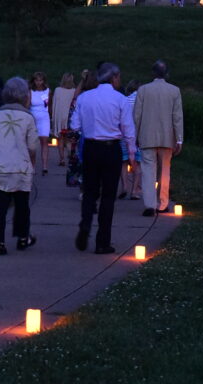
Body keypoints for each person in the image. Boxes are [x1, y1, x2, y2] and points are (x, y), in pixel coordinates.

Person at [70, 62, 136, 255]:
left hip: (91, 147)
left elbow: (75, 125)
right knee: (108, 196)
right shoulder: (120, 99)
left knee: (90, 191)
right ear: (114, 77)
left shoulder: (84, 97)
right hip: (111, 149)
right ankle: (102, 241)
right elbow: (128, 128)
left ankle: (85, 224)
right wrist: (131, 153)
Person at [0, 77, 39, 256]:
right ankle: (23, 237)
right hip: (19, 168)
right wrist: (32, 164)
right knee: (22, 206)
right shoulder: (28, 117)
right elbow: (32, 146)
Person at [133, 59, 184, 216]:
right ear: (166, 73)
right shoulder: (174, 91)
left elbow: (137, 115)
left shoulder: (143, 90)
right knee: (165, 171)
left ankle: (150, 204)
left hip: (147, 136)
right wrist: (179, 138)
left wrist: (134, 135)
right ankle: (163, 203)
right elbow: (177, 117)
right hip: (167, 137)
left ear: (153, 73)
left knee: (148, 171)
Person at [118, 80, 141, 200]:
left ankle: (124, 188)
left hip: (123, 135)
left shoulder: (124, 100)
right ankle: (134, 191)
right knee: (137, 164)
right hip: (138, 136)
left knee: (123, 163)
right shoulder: (143, 101)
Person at [51, 72, 76, 168]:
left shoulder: (57, 90)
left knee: (60, 139)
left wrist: (54, 118)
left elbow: (54, 105)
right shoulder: (74, 91)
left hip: (59, 118)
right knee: (69, 140)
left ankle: (61, 159)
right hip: (69, 119)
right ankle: (70, 155)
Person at [29, 72, 52, 174]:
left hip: (44, 117)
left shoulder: (47, 91)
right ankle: (32, 166)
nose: (39, 82)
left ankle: (44, 166)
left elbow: (50, 106)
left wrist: (51, 117)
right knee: (33, 143)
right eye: (37, 80)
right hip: (33, 116)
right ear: (34, 81)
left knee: (44, 141)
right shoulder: (30, 91)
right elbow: (27, 104)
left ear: (43, 81)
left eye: (41, 80)